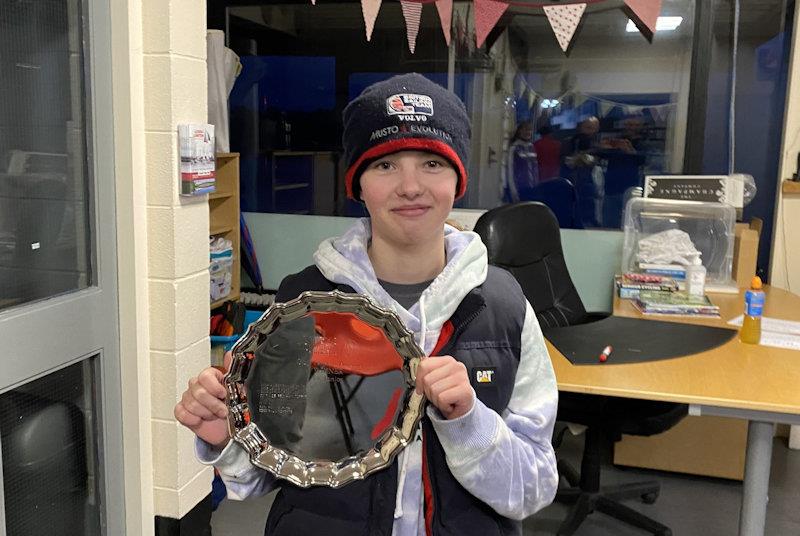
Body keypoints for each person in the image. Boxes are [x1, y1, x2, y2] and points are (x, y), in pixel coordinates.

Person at [175, 73, 559, 536]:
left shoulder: (504, 307)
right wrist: (225, 435)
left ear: (459, 180)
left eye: (432, 164)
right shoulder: (304, 303)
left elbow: (535, 489)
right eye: (386, 165)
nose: (411, 186)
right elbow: (268, 471)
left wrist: (467, 422)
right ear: (357, 184)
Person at [502, 120, 539, 203]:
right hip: (520, 188)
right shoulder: (514, 148)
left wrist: (537, 186)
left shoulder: (531, 147)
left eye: (529, 130)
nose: (528, 132)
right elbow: (510, 171)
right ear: (519, 131)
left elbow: (535, 169)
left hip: (532, 187)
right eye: (525, 129)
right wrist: (514, 191)